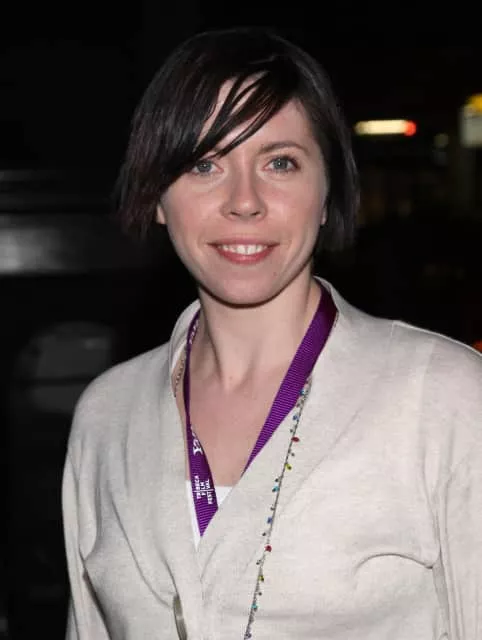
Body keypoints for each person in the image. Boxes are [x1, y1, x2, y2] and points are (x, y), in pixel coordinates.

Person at [62, 27, 482, 640]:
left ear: (327, 191)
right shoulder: (107, 415)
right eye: (204, 164)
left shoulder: (443, 398)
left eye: (279, 162)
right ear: (157, 196)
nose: (244, 201)